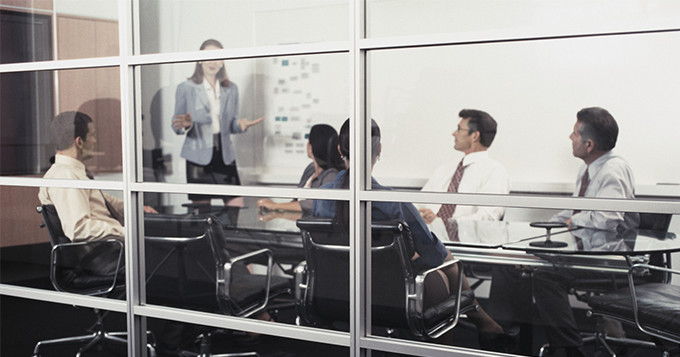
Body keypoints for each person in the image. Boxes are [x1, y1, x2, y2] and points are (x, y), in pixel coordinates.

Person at [313, 119, 517, 351]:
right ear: (379, 151)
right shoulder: (391, 202)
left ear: (340, 150)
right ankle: (483, 323)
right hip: (391, 298)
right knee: (441, 268)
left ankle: (485, 323)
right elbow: (433, 254)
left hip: (338, 292)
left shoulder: (321, 197)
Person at [534, 107, 639, 357]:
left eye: (574, 134)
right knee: (524, 264)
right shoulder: (588, 168)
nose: (570, 138)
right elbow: (573, 211)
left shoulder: (612, 169)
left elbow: (608, 217)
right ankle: (508, 335)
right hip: (591, 253)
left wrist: (571, 221)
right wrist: (548, 227)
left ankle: (570, 348)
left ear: (589, 144)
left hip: (611, 259)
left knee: (545, 277)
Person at [39, 111, 157, 243]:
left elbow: (101, 200)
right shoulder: (65, 176)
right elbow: (80, 229)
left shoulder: (73, 172)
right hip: (107, 250)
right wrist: (127, 232)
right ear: (79, 142)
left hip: (111, 245)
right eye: (92, 135)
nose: (95, 141)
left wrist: (136, 209)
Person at [172, 38, 263, 206]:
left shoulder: (231, 89)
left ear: (222, 62)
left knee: (236, 205)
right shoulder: (186, 88)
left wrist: (240, 125)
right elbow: (176, 125)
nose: (212, 62)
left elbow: (231, 123)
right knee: (202, 214)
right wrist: (185, 125)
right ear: (200, 60)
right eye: (208, 57)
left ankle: (228, 234)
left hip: (224, 155)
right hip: (197, 157)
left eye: (217, 57)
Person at [417, 109, 509, 241]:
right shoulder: (444, 169)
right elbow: (418, 202)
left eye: (459, 129)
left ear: (474, 136)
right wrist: (420, 214)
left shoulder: (495, 172)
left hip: (467, 247)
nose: (454, 134)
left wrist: (442, 222)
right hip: (428, 241)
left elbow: (487, 218)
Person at [257, 124, 345, 218]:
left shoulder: (331, 175)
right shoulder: (310, 169)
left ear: (312, 147)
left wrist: (275, 206)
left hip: (317, 229)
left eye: (308, 141)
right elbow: (296, 200)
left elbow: (316, 204)